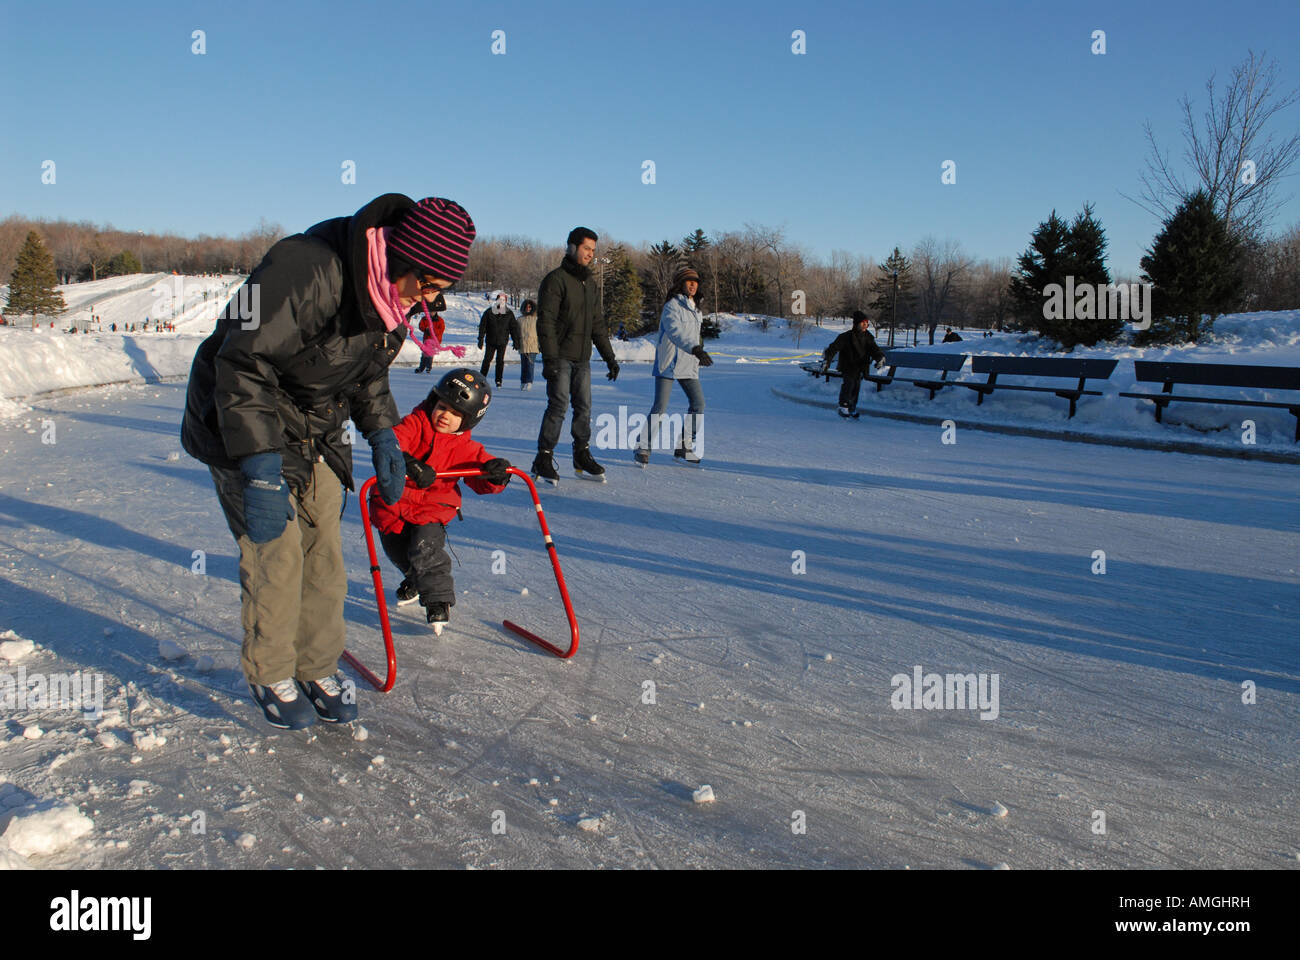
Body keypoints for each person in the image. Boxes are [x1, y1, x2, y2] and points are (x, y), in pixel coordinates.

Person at [180, 193, 476, 730]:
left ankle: (315, 665)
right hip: (240, 420)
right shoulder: (308, 268)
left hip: (313, 426)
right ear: (403, 257)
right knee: (278, 555)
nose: (429, 300)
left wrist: (383, 435)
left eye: (440, 290)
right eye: (428, 284)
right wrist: (260, 464)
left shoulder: (392, 301)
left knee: (325, 557)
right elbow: (242, 361)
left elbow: (366, 376)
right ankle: (271, 670)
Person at [368, 369, 511, 634]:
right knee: (396, 552)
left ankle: (438, 601)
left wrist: (495, 474)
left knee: (425, 549)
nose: (446, 415)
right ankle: (415, 579)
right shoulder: (415, 423)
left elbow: (479, 472)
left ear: (468, 421)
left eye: (456, 413)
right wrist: (409, 464)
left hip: (432, 507)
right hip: (394, 505)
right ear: (433, 401)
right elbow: (393, 442)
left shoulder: (464, 447)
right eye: (443, 406)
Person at [533, 227, 619, 483]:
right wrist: (549, 359)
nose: (590, 254)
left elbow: (597, 324)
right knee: (558, 405)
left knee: (584, 407)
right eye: (586, 249)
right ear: (572, 246)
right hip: (560, 355)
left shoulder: (589, 284)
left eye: (593, 250)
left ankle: (581, 455)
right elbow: (545, 322)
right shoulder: (555, 280)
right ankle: (543, 457)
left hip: (582, 358)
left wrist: (610, 357)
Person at [636, 267, 711, 465]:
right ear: (680, 284)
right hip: (669, 361)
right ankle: (643, 446)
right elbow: (675, 332)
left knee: (698, 403)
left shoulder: (696, 308)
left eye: (696, 281)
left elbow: (694, 335)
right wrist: (695, 348)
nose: (693, 284)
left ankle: (684, 446)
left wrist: (699, 349)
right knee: (660, 407)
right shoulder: (671, 306)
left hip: (688, 362)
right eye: (689, 281)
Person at [822, 311, 886, 419]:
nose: (866, 325)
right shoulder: (846, 336)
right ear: (857, 324)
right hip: (848, 365)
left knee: (856, 387)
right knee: (849, 384)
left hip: (860, 366)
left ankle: (852, 407)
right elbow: (833, 349)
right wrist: (827, 361)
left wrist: (879, 357)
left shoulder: (868, 337)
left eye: (867, 323)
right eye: (863, 323)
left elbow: (874, 349)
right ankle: (844, 406)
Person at [478, 290, 519, 388]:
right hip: (491, 340)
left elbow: (513, 328)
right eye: (499, 300)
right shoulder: (489, 312)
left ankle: (498, 380)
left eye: (503, 300)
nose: (501, 302)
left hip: (502, 341)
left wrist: (516, 341)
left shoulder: (509, 314)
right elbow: (483, 326)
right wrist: (480, 339)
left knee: (500, 361)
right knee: (487, 360)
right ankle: (481, 378)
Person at [413, 289, 446, 374]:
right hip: (426, 339)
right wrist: (426, 329)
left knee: (429, 354)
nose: (431, 313)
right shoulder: (425, 319)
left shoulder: (440, 320)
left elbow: (441, 330)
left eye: (433, 311)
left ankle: (428, 367)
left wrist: (432, 331)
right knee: (424, 354)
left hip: (434, 340)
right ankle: (422, 367)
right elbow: (421, 326)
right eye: (430, 311)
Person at [517, 298, 539, 389]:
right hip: (522, 344)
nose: (528, 308)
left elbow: (540, 332)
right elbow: (516, 332)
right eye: (526, 307)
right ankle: (523, 381)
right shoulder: (519, 319)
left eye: (530, 307)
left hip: (533, 345)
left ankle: (529, 381)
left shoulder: (536, 319)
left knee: (530, 364)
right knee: (524, 364)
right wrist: (516, 342)